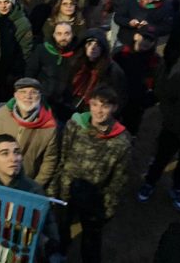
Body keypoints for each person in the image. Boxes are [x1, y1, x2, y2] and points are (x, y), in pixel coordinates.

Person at [50, 87, 131, 263]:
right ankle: (61, 250)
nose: (98, 111)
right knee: (62, 226)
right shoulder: (75, 126)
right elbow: (62, 155)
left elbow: (119, 178)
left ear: (114, 108)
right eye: (94, 104)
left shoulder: (122, 141)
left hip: (95, 198)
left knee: (91, 239)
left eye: (104, 106)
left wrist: (108, 207)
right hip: (67, 188)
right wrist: (55, 185)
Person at [0, 135, 59, 255]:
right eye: (4, 153)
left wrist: (51, 241)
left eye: (17, 152)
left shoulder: (32, 189)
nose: (13, 159)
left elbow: (48, 222)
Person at [137, 49, 180, 211]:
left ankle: (177, 188)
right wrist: (172, 120)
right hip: (173, 131)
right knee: (160, 159)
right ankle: (150, 183)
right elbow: (165, 99)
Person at [0, 78, 58, 187]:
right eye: (23, 92)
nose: (28, 96)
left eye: (33, 92)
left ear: (40, 96)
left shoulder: (49, 126)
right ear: (15, 95)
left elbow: (50, 160)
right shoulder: (0, 113)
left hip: (25, 184)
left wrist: (35, 185)